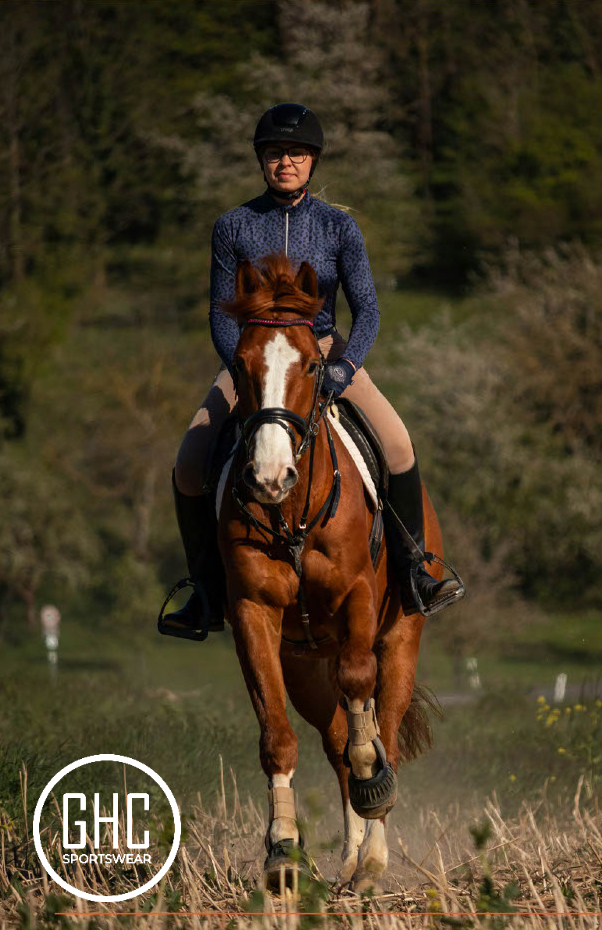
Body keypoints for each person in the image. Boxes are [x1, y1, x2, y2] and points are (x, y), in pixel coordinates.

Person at [161, 102, 462, 636]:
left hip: (322, 352)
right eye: (276, 154)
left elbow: (366, 307)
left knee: (398, 446)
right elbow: (217, 309)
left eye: (297, 154)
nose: (286, 163)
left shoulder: (338, 226)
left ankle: (416, 571)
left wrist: (346, 366)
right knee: (189, 463)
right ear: (262, 160)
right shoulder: (232, 226)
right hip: (253, 357)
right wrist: (241, 365)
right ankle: (204, 592)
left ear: (312, 162)